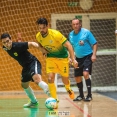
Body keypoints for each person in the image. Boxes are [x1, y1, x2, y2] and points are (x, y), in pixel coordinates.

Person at [0, 33, 50, 108]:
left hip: (32, 62)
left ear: (11, 39)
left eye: (7, 41)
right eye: (4, 42)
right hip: (25, 67)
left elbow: (32, 44)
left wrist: (42, 50)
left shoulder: (17, 45)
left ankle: (52, 95)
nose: (6, 44)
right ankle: (34, 102)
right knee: (24, 85)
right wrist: (19, 40)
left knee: (37, 80)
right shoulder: (4, 47)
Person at [35, 17, 78, 101]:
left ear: (48, 26)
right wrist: (43, 50)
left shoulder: (55, 34)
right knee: (50, 78)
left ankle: (68, 88)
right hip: (51, 58)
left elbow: (69, 45)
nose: (41, 30)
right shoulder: (38, 36)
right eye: (40, 28)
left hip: (62, 58)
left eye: (43, 28)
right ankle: (54, 99)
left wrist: (73, 59)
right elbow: (40, 44)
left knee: (65, 80)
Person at [68, 18, 97, 101]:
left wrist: (94, 55)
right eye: (74, 24)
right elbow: (71, 47)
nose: (75, 25)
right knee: (77, 77)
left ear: (80, 24)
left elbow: (95, 43)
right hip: (77, 58)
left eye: (77, 24)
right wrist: (71, 57)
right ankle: (81, 95)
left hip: (87, 56)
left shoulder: (86, 32)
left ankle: (89, 95)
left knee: (85, 74)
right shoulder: (71, 35)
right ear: (72, 25)